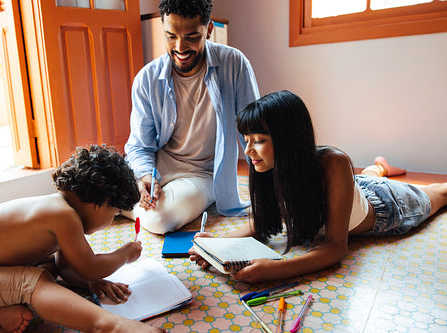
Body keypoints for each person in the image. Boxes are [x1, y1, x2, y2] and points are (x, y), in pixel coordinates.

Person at [189, 90, 447, 283]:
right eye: (247, 140)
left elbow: (335, 247)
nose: (248, 151)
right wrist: (216, 246)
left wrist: (275, 269)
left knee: (440, 192)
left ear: (287, 139)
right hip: (355, 186)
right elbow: (262, 223)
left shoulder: (335, 162)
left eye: (258, 140)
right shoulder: (268, 166)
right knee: (366, 177)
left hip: (387, 205)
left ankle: (380, 172)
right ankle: (379, 167)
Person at [0, 145, 167, 333]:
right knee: (36, 281)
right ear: (99, 203)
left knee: (48, 265)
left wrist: (91, 283)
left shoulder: (63, 211)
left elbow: (66, 267)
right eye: (115, 213)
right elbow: (90, 267)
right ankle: (112, 326)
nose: (113, 219)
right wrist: (124, 254)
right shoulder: (63, 215)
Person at [123, 0, 260, 234]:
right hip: (158, 167)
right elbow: (139, 146)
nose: (180, 47)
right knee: (85, 189)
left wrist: (268, 190)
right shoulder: (146, 79)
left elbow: (253, 132)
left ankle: (119, 204)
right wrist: (145, 176)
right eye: (171, 36)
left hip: (203, 174)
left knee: (159, 219)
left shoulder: (235, 64)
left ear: (208, 30)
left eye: (192, 37)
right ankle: (124, 201)